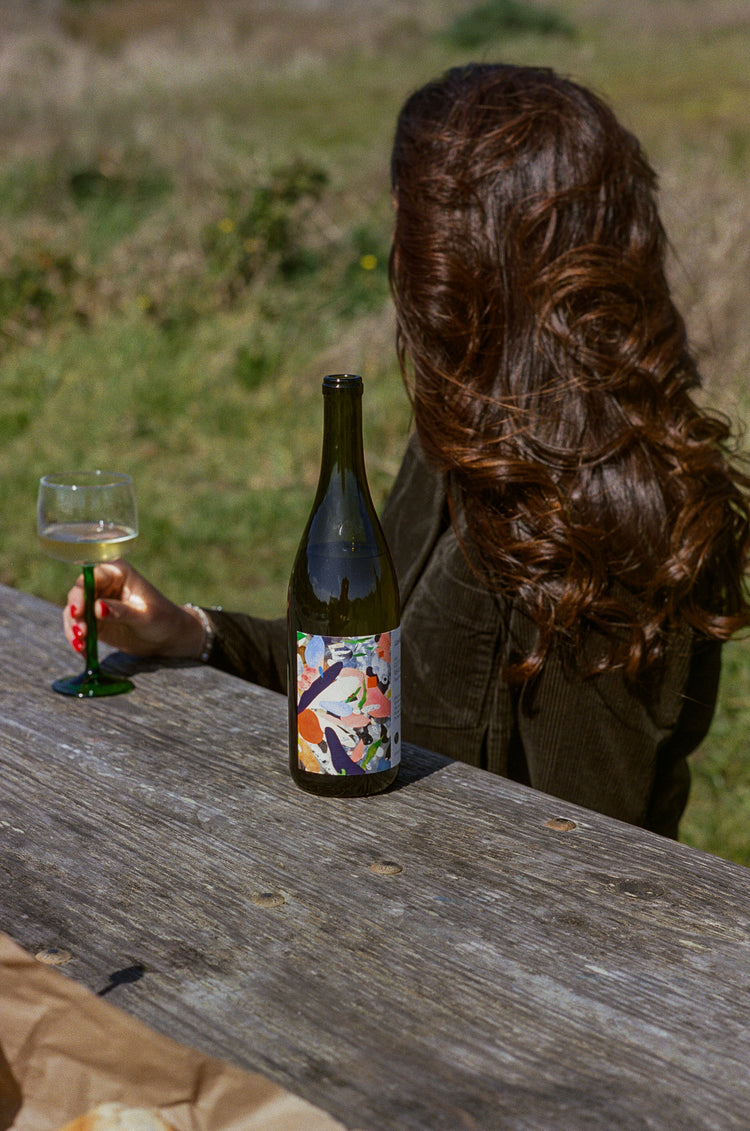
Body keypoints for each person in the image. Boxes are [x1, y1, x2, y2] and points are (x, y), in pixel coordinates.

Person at [63, 63, 750, 837]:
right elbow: (364, 685)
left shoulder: (604, 528)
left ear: (461, 258)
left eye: (407, 221)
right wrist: (192, 632)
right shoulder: (460, 442)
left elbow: (589, 855)